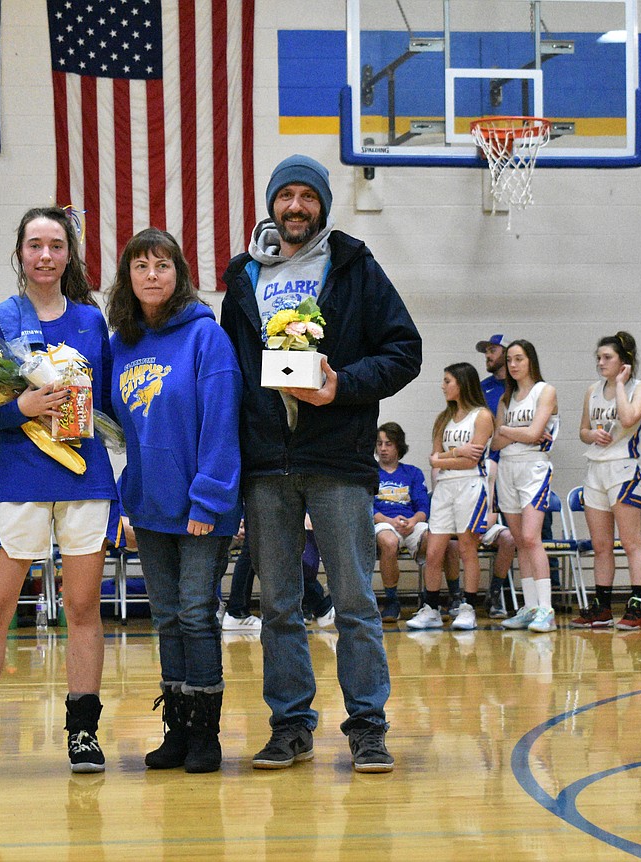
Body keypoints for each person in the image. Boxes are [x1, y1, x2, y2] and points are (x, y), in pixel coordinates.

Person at [220, 154, 421, 774]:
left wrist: (344, 385)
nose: (297, 206)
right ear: (272, 204)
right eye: (288, 196)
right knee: (278, 604)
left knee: (356, 600)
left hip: (337, 461)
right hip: (266, 466)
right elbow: (228, 372)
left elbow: (404, 350)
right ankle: (291, 725)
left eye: (309, 196)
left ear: (323, 206)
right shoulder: (243, 275)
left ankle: (367, 725)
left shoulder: (354, 265)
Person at [0, 206, 118, 778]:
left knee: (84, 609)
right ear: (20, 254)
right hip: (19, 482)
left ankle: (83, 732)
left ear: (69, 255)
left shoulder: (91, 320)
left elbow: (109, 404)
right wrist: (22, 408)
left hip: (87, 481)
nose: (45, 255)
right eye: (35, 245)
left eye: (55, 245)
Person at [107, 228, 241, 773]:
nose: (152, 275)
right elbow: (111, 424)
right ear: (128, 278)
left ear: (178, 274)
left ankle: (206, 733)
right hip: (149, 503)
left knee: (194, 612)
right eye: (140, 266)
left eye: (162, 265)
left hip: (200, 505)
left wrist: (208, 500)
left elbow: (221, 423)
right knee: (164, 617)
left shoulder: (206, 337)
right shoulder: (120, 343)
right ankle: (178, 731)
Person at [572, 332, 641, 630]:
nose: (601, 362)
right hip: (595, 469)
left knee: (632, 542)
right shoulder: (592, 390)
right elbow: (582, 430)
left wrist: (620, 384)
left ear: (624, 361)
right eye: (599, 357)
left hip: (624, 470)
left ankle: (636, 605)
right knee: (601, 544)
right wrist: (591, 435)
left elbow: (629, 418)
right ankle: (602, 606)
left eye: (608, 357)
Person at [407, 363, 493, 633]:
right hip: (444, 487)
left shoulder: (482, 416)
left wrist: (447, 457)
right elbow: (433, 459)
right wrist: (457, 452)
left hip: (470, 486)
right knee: (433, 551)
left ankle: (468, 607)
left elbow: (473, 461)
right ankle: (431, 608)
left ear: (462, 383)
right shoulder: (443, 419)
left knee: (467, 548)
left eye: (447, 381)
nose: (443, 386)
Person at [491, 340, 559, 633]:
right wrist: (520, 434)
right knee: (520, 542)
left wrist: (508, 430)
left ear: (531, 360)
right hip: (508, 467)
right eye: (510, 360)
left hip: (534, 467)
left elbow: (533, 436)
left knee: (532, 537)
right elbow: (495, 442)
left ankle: (547, 609)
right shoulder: (506, 399)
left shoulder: (546, 391)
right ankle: (530, 607)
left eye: (519, 358)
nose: (514, 365)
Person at [373, 422, 429, 624]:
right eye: (379, 443)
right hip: (383, 522)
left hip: (410, 521)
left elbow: (424, 506)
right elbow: (367, 507)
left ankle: (430, 599)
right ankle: (391, 600)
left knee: (435, 539)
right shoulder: (371, 473)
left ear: (399, 446)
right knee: (388, 542)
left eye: (388, 444)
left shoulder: (413, 473)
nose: (383, 448)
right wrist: (389, 520)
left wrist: (413, 521)